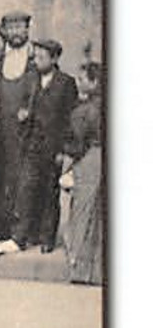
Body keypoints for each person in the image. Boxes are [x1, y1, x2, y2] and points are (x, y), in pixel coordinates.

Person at [0, 39, 76, 256]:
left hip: (53, 148)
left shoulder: (66, 83)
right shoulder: (31, 79)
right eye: (35, 57)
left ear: (55, 58)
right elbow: (24, 105)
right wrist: (23, 114)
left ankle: (47, 238)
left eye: (42, 57)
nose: (37, 62)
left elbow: (71, 120)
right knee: (26, 189)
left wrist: (64, 150)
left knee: (50, 193)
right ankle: (19, 236)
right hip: (31, 145)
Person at [0, 11, 37, 242]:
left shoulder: (35, 59)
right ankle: (1, 227)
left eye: (21, 27)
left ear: (27, 30)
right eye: (12, 27)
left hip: (24, 132)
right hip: (0, 129)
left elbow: (40, 92)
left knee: (21, 180)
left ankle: (24, 231)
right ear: (5, 31)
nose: (17, 32)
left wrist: (28, 110)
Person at [61, 61, 103, 285]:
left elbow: (75, 144)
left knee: (82, 213)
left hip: (89, 158)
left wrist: (65, 167)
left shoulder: (83, 111)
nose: (78, 83)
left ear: (94, 82)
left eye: (82, 79)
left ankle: (79, 269)